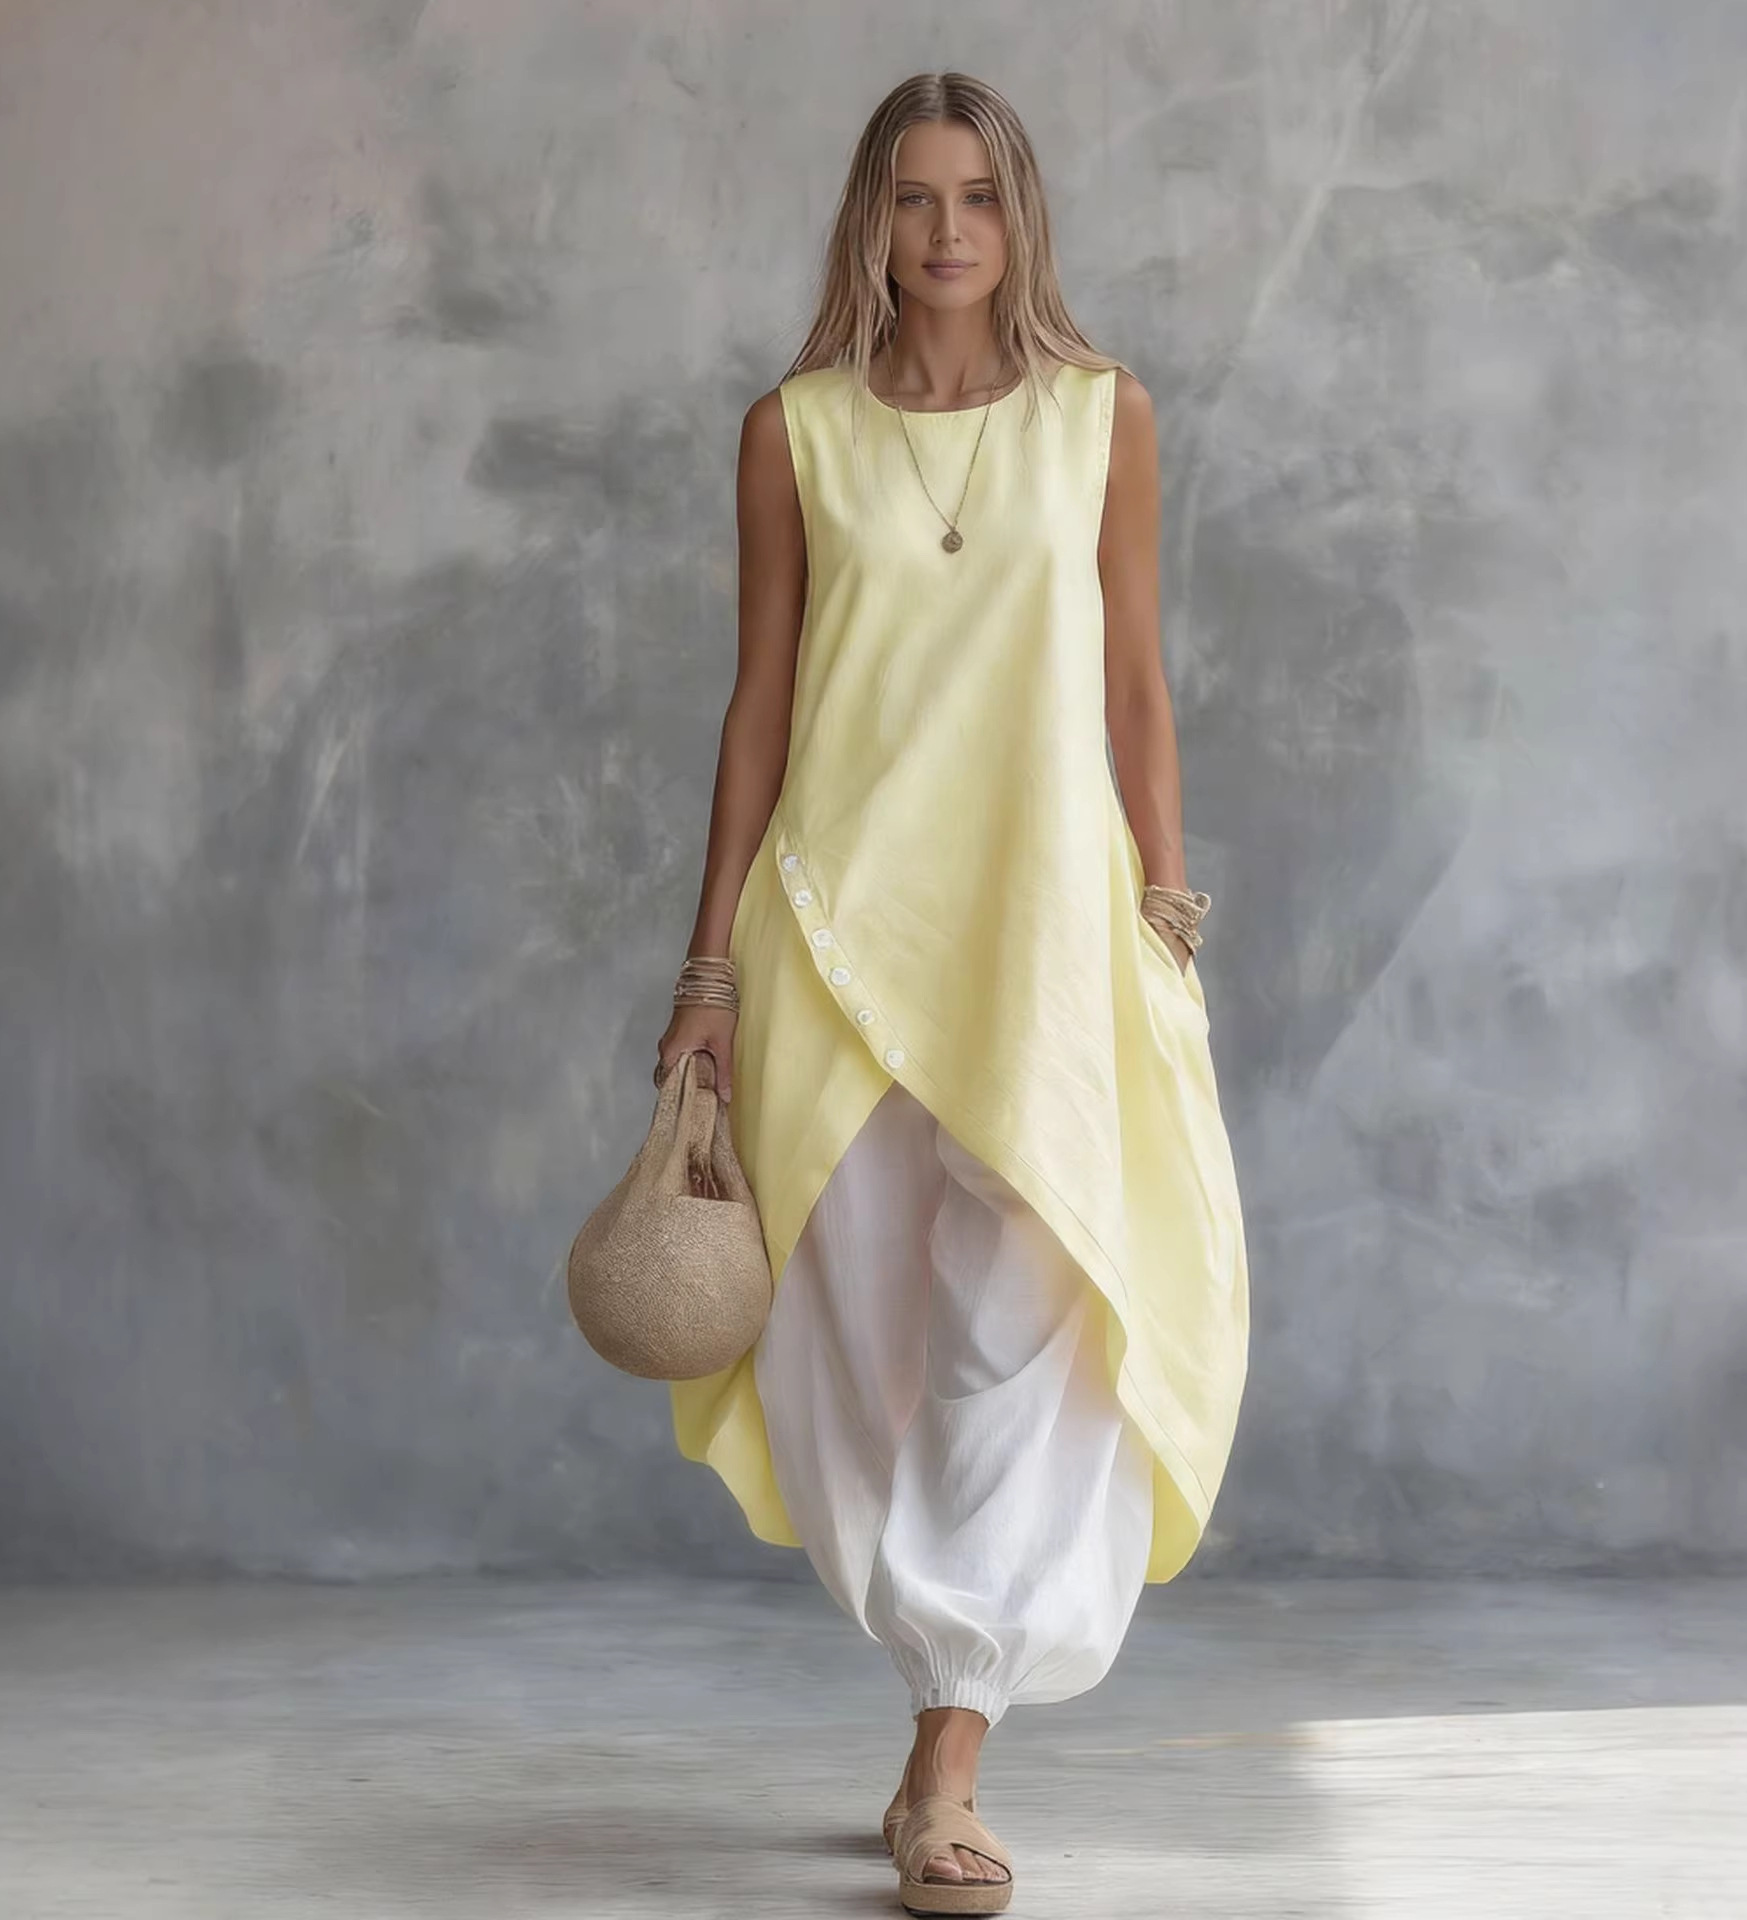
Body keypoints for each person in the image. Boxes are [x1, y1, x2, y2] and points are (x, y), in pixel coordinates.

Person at [654, 71, 1249, 1917]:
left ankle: (949, 1755)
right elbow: (759, 706)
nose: (945, 233)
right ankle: (934, 1662)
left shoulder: (1100, 415)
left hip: (1044, 933)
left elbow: (1135, 679)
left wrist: (1165, 901)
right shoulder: (795, 435)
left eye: (976, 196)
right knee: (847, 1334)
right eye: (913, 198)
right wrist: (705, 969)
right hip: (834, 933)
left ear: (1019, 216)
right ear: (871, 219)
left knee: (1021, 1320)